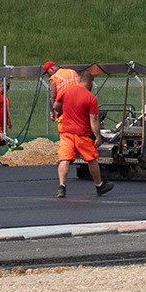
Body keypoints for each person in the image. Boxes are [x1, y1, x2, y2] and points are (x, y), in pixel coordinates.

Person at [55, 70, 112, 198]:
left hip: (66, 133)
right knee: (91, 160)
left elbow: (56, 105)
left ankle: (61, 186)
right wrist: (98, 137)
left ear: (79, 80)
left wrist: (61, 112)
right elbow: (94, 120)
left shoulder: (66, 91)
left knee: (64, 159)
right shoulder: (90, 98)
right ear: (91, 83)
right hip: (82, 135)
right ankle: (99, 186)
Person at [43, 61, 80, 136]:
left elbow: (52, 97)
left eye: (47, 72)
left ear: (51, 69)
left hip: (64, 111)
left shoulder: (54, 78)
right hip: (79, 107)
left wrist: (52, 112)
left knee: (66, 135)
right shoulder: (72, 72)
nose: (48, 75)